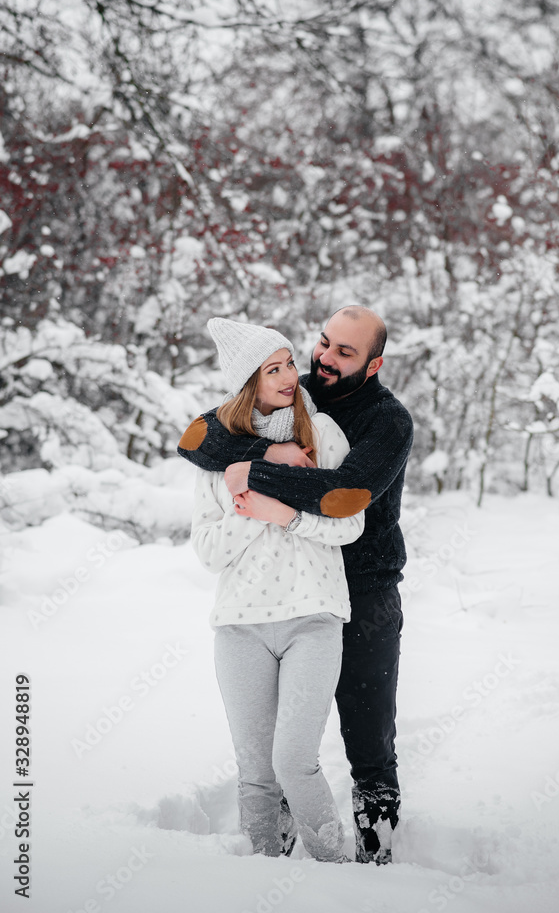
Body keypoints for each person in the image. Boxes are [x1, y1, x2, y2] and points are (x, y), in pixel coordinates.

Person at [179, 305, 413, 864]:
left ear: (373, 364)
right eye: (323, 343)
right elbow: (196, 441)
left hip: (364, 588)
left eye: (344, 353)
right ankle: (273, 851)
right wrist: (266, 452)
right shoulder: (294, 389)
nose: (323, 359)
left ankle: (375, 844)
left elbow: (346, 498)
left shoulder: (386, 421)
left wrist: (256, 477)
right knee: (267, 751)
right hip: (276, 592)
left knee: (368, 734)